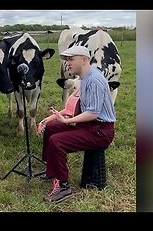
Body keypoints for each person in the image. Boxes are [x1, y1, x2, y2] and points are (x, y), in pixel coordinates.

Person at [40, 45, 116, 203]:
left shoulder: (94, 80)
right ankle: (52, 171)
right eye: (66, 60)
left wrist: (68, 121)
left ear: (84, 60)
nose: (67, 63)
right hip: (90, 125)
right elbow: (73, 105)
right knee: (52, 128)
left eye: (70, 59)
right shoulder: (85, 77)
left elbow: (93, 113)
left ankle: (63, 186)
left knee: (57, 141)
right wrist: (50, 119)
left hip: (101, 131)